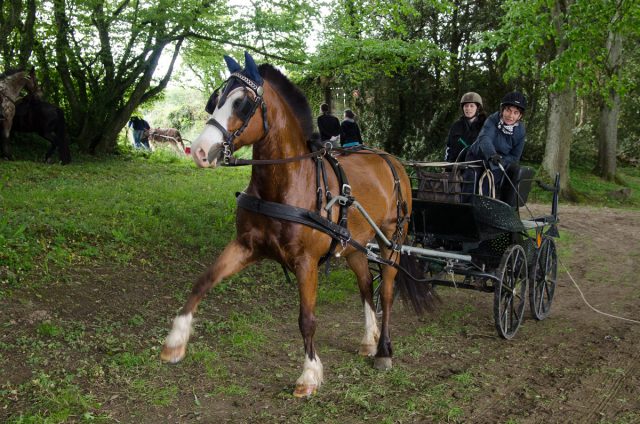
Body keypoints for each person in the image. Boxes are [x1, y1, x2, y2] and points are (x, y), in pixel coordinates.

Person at [465, 91, 527, 201]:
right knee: (471, 183)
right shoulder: (492, 120)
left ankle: (485, 211)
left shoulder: (521, 132)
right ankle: (465, 210)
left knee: (488, 184)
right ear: (502, 110)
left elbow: (515, 157)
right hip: (478, 156)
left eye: (515, 112)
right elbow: (485, 138)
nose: (510, 116)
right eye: (508, 110)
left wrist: (501, 160)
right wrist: (492, 154)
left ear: (520, 116)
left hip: (499, 163)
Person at [444, 92, 486, 162]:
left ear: (478, 108)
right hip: (457, 166)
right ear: (463, 108)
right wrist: (448, 166)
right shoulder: (456, 126)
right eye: (466, 106)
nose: (468, 109)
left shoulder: (485, 126)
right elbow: (449, 148)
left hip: (478, 167)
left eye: (471, 106)